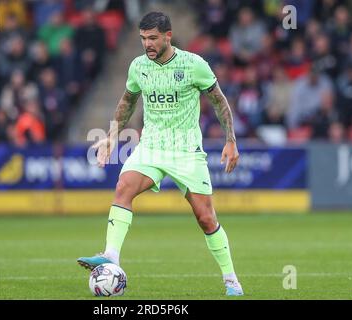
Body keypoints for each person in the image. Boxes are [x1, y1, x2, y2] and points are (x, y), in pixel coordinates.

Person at [77, 12, 243, 296]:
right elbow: (127, 100)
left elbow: (219, 101)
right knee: (123, 188)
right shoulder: (139, 66)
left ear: (168, 35)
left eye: (152, 38)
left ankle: (231, 280)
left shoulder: (194, 65)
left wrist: (231, 139)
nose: (147, 44)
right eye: (143, 39)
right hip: (151, 147)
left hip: (186, 151)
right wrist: (112, 136)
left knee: (205, 218)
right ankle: (111, 256)